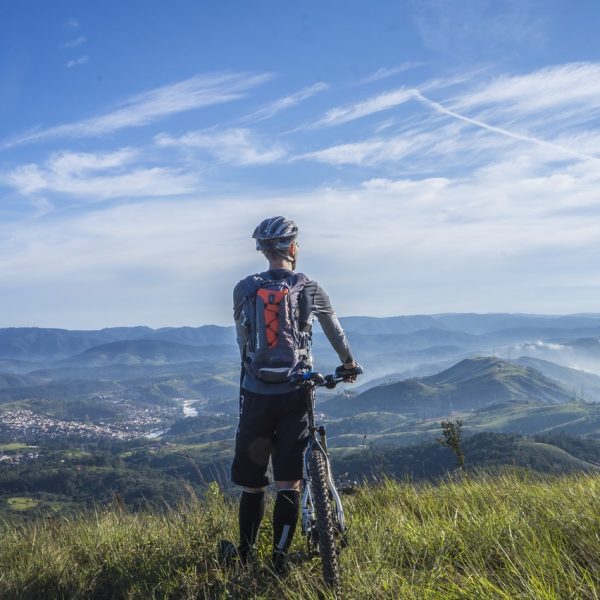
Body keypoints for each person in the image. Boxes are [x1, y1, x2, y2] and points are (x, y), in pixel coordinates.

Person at [221, 216, 360, 574]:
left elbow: (242, 342)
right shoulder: (309, 287)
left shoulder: (243, 289)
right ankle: (279, 559)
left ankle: (245, 555)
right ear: (293, 248)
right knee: (289, 482)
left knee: (253, 486)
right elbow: (335, 331)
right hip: (296, 393)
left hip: (256, 393)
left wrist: (252, 376)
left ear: (263, 251)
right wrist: (348, 363)